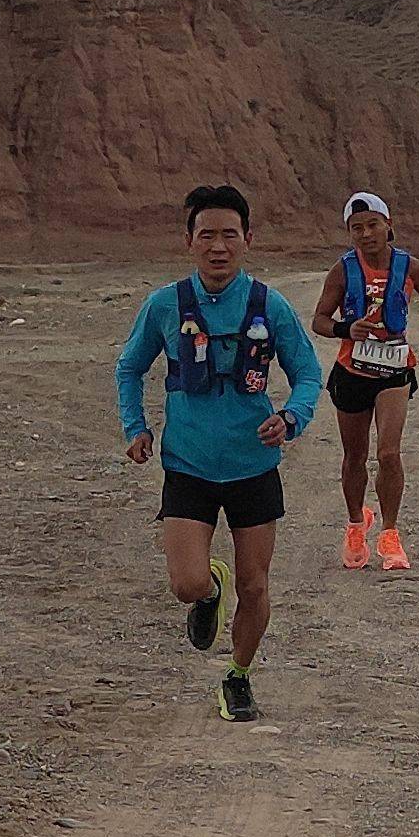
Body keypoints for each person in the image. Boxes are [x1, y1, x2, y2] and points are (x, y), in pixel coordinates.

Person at [114, 182, 317, 722]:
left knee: (256, 584)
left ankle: (238, 676)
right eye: (207, 235)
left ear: (248, 239)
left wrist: (291, 416)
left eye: (230, 234)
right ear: (189, 242)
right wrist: (136, 427)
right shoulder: (164, 305)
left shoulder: (268, 305)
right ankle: (210, 589)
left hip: (254, 467)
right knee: (186, 583)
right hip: (188, 466)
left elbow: (307, 374)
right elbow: (129, 368)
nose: (218, 246)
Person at [310, 189, 419, 570]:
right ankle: (357, 523)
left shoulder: (412, 268)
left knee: (388, 453)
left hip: (394, 369)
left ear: (389, 225)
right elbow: (319, 320)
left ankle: (390, 534)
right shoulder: (343, 270)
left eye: (372, 225)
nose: (366, 233)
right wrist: (345, 328)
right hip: (352, 370)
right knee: (355, 456)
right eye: (357, 228)